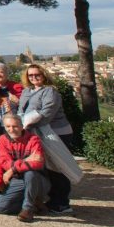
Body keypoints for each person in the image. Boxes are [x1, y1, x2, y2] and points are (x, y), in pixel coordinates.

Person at [19, 63, 78, 215]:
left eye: (36, 75)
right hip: (35, 133)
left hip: (55, 133)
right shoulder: (27, 91)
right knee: (45, 167)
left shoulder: (50, 91)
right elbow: (20, 111)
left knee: (58, 167)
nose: (33, 77)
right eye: (30, 75)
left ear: (44, 75)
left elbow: (46, 115)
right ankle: (52, 200)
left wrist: (25, 122)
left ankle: (62, 204)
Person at [0, 113, 51, 222]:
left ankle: (27, 209)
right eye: (8, 127)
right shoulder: (2, 140)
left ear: (21, 126)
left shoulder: (33, 139)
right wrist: (26, 160)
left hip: (38, 180)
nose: (11, 129)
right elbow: (5, 162)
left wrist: (13, 169)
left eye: (15, 126)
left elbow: (37, 163)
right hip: (18, 179)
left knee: (30, 173)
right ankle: (34, 203)